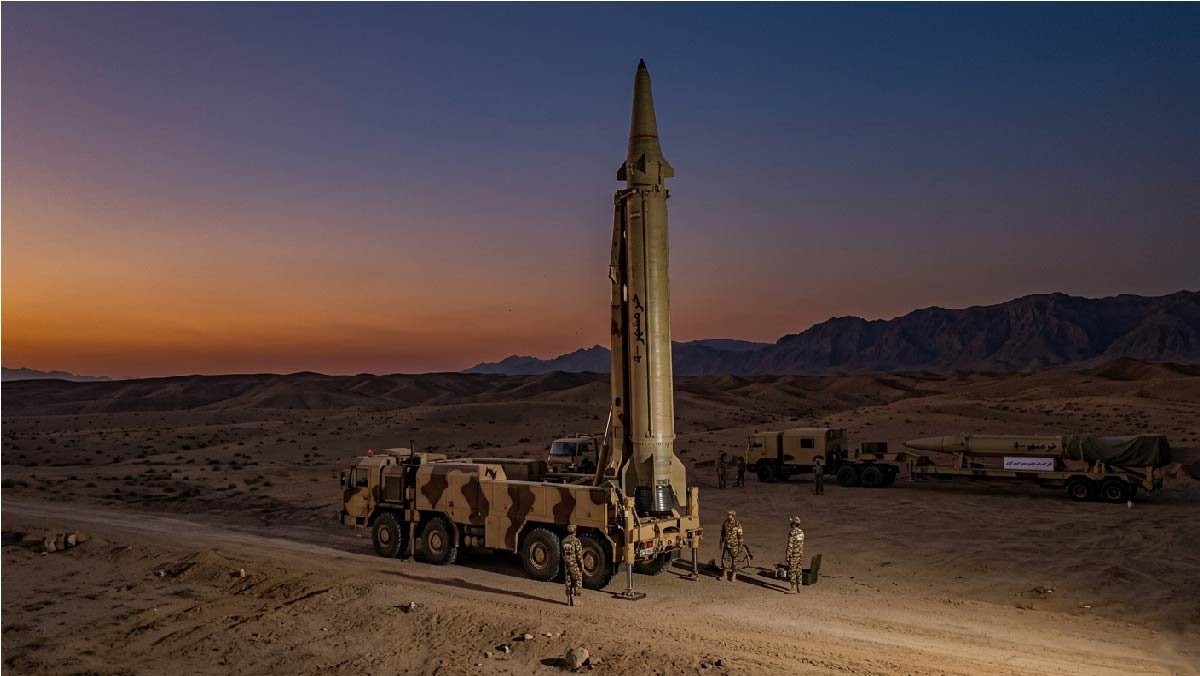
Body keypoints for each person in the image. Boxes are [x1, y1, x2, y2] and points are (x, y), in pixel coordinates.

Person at [562, 524, 584, 606]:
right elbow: (579, 555)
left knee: (568, 581)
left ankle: (568, 599)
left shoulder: (563, 541)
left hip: (567, 564)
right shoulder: (576, 541)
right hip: (575, 564)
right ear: (575, 530)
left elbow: (563, 554)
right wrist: (581, 565)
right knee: (577, 580)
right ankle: (576, 600)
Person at [720, 510, 743, 582]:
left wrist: (740, 546)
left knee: (735, 560)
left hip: (734, 545)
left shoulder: (737, 524)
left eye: (730, 515)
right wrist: (721, 543)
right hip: (727, 545)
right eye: (728, 515)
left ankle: (733, 576)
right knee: (724, 559)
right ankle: (724, 575)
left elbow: (740, 536)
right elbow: (722, 534)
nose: (728, 516)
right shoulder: (725, 523)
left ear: (733, 516)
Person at [785, 516, 805, 593]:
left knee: (792, 571)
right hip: (800, 554)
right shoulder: (801, 532)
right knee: (799, 570)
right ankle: (799, 586)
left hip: (794, 554)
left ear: (793, 523)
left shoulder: (792, 532)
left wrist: (787, 556)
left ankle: (792, 588)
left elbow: (790, 545)